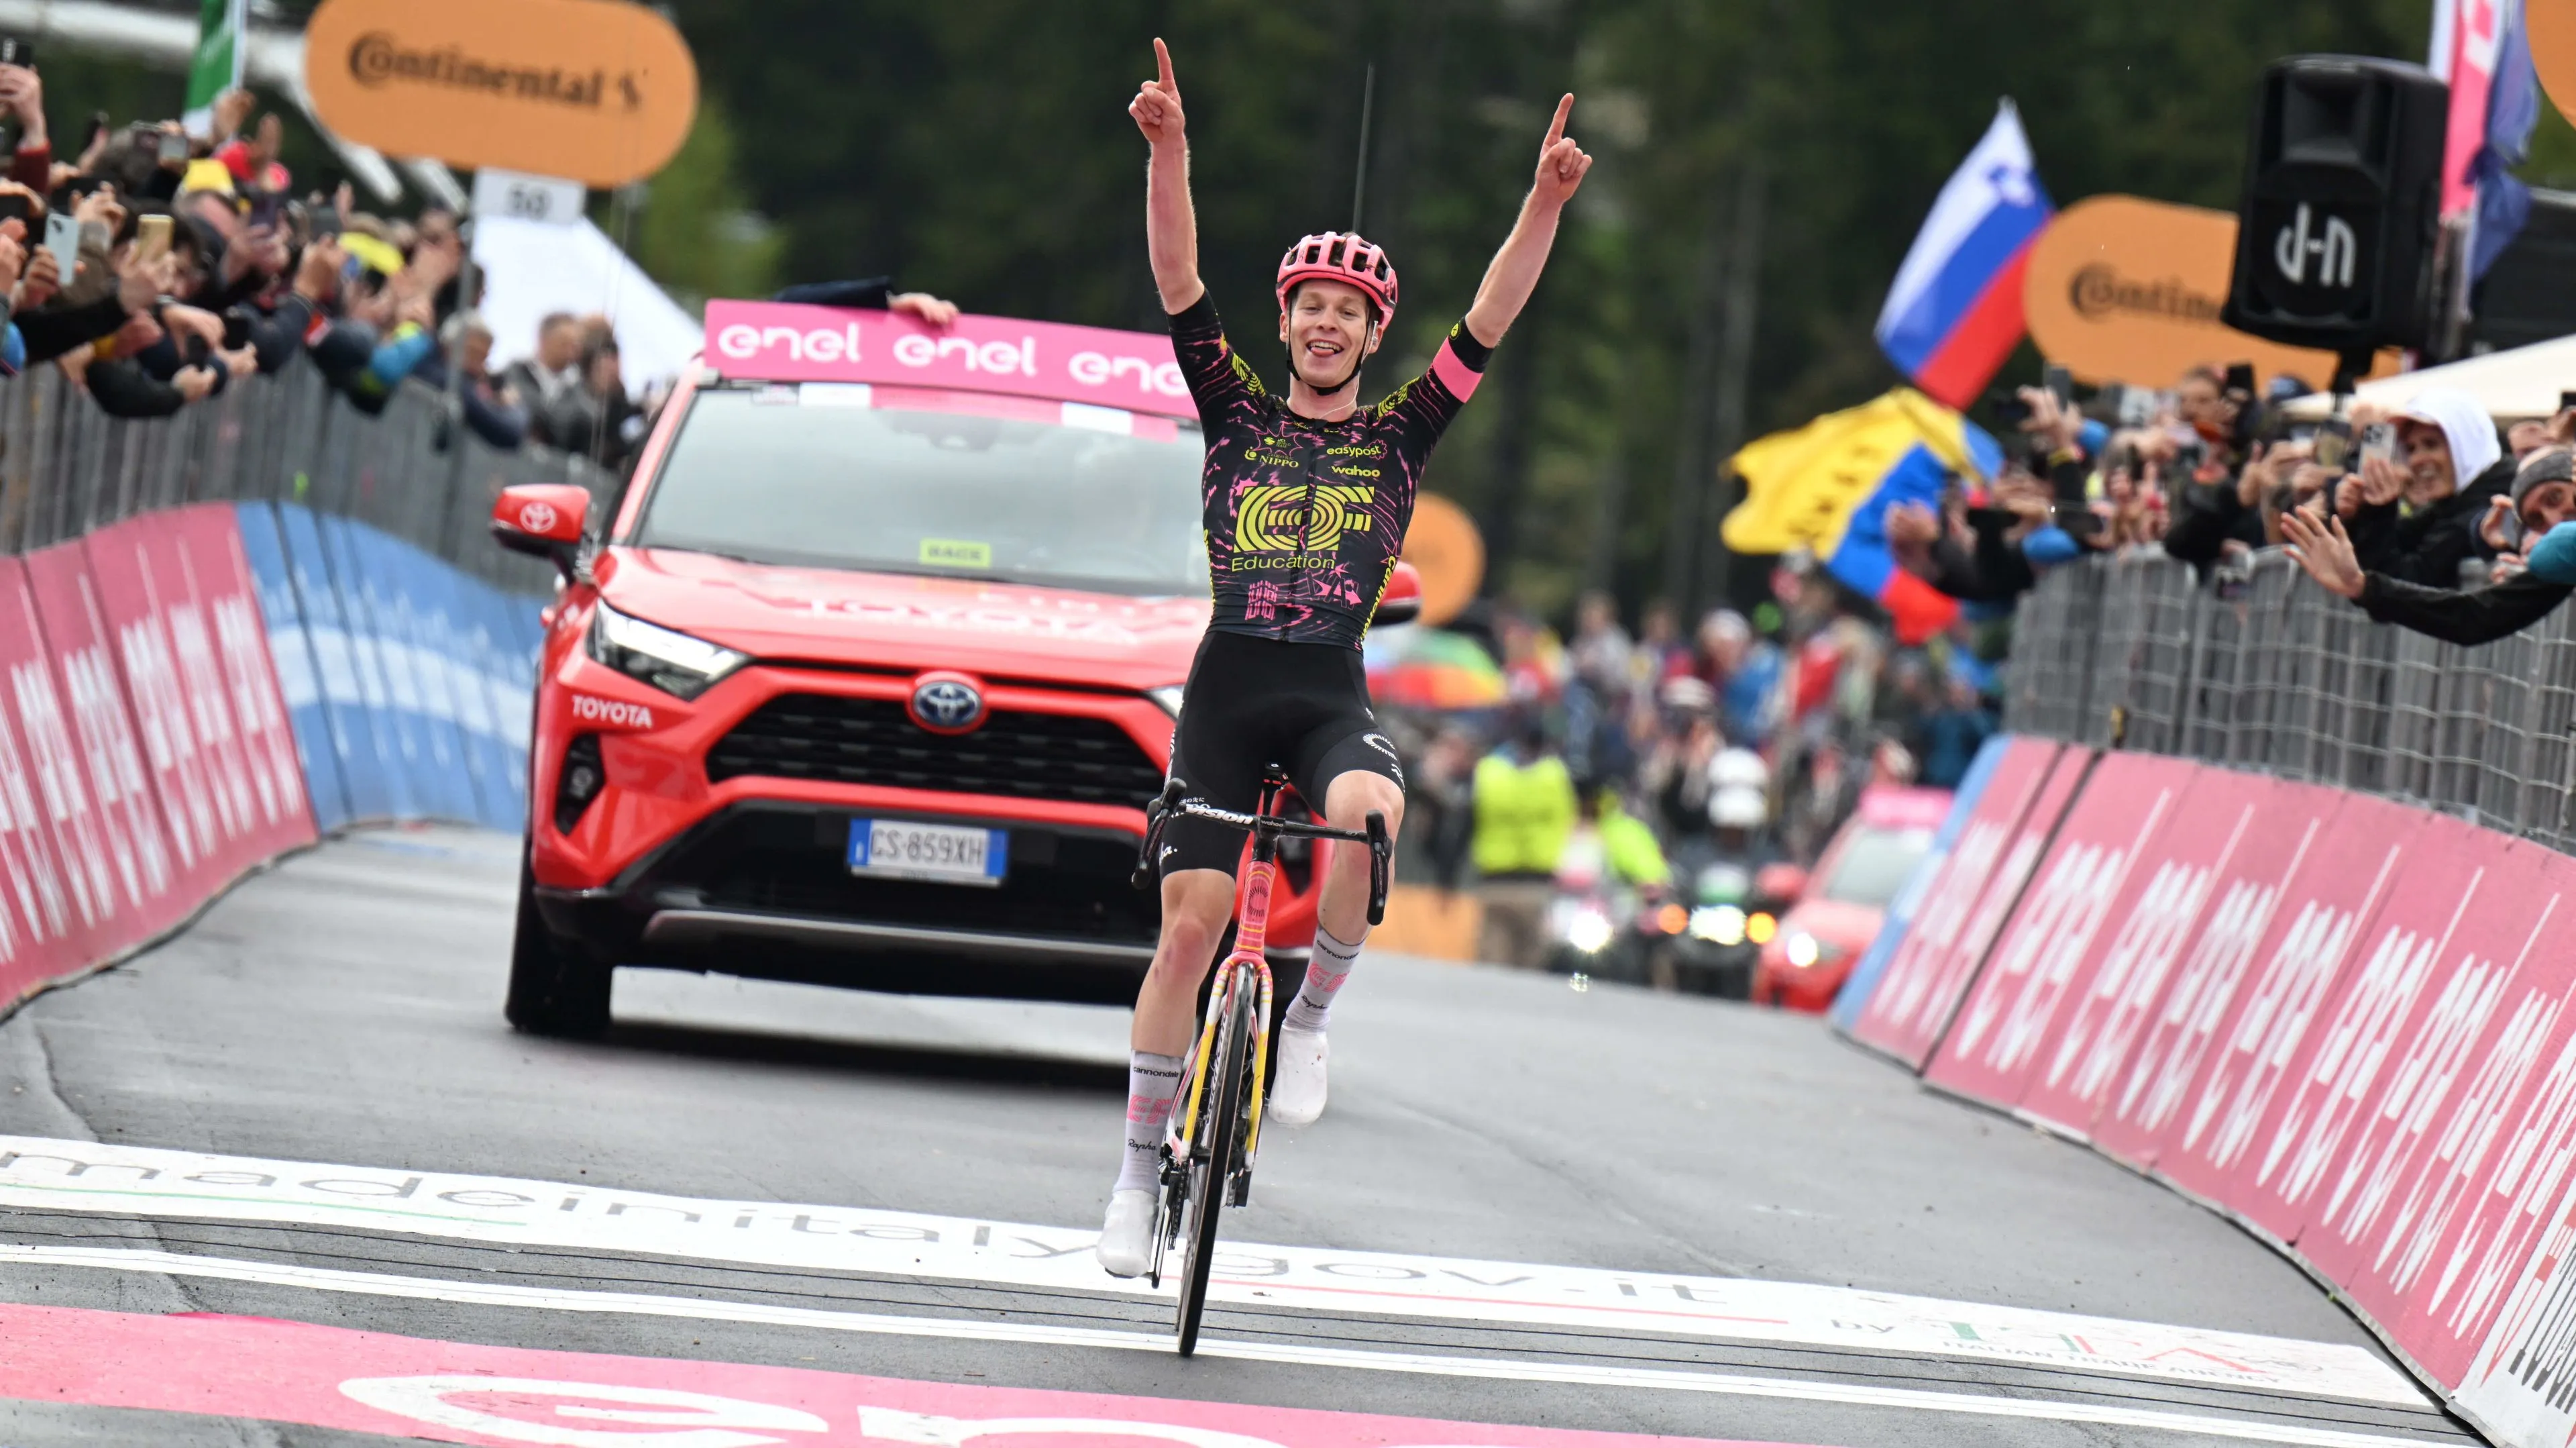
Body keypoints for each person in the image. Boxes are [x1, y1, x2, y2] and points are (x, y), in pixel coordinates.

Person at [1099, 36, 1593, 1277]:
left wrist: (1543, 202)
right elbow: (1177, 275)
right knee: (1188, 930)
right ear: (1286, 323)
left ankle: (1310, 1016)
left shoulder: (1403, 434)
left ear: (1372, 336)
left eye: (1351, 313)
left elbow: (1490, 317)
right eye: (1311, 307)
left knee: (1373, 811)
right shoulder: (1232, 406)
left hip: (1326, 683)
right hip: (1228, 684)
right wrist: (1171, 150)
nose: (1328, 324)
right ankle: (1133, 1173)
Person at [2283, 446, 2576, 645]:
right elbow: (2472, 617)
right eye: (2537, 520)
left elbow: (2555, 548)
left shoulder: (2560, 549)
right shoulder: (2562, 559)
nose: (2554, 518)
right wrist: (2362, 586)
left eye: (2555, 496)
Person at [1470, 718, 1579, 971]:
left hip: (1495, 882)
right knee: (1531, 966)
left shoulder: (1490, 773)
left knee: (1491, 965)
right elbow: (1569, 818)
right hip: (1536, 885)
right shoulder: (1555, 777)